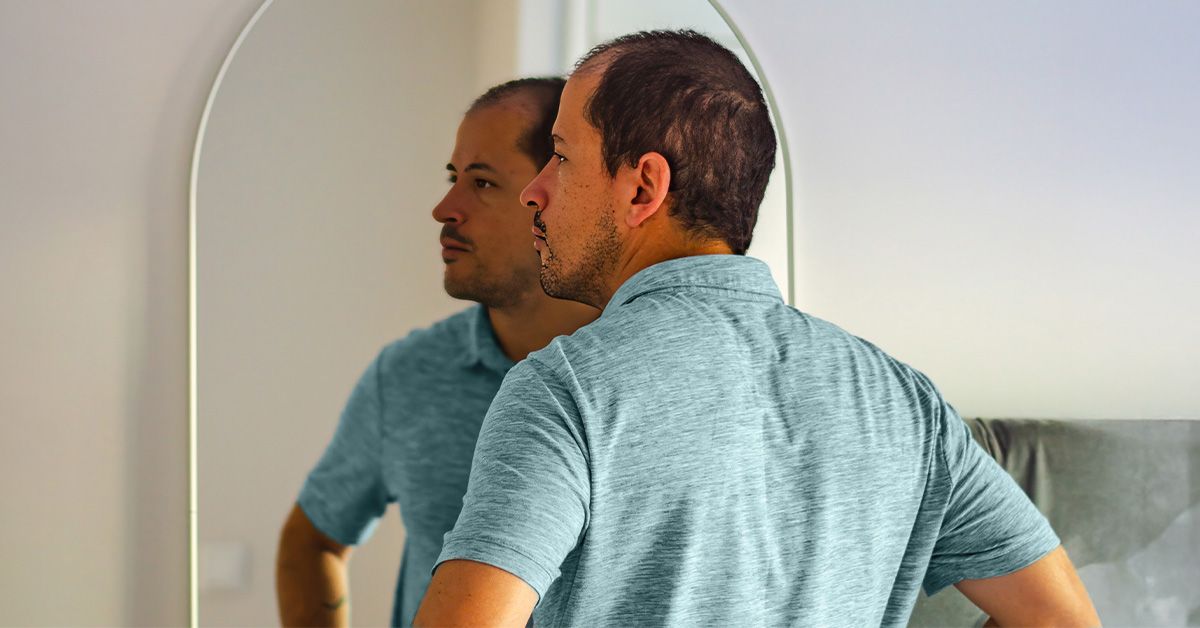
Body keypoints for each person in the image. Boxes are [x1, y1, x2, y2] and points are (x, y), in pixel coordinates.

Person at [415, 31, 1101, 627]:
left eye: (562, 157)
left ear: (643, 187)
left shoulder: (568, 392)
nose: (535, 189)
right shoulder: (902, 403)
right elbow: (1061, 619)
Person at [274, 77, 599, 628]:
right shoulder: (407, 375)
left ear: (559, 191)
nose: (445, 208)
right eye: (454, 178)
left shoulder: (637, 372)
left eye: (483, 182)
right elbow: (311, 542)